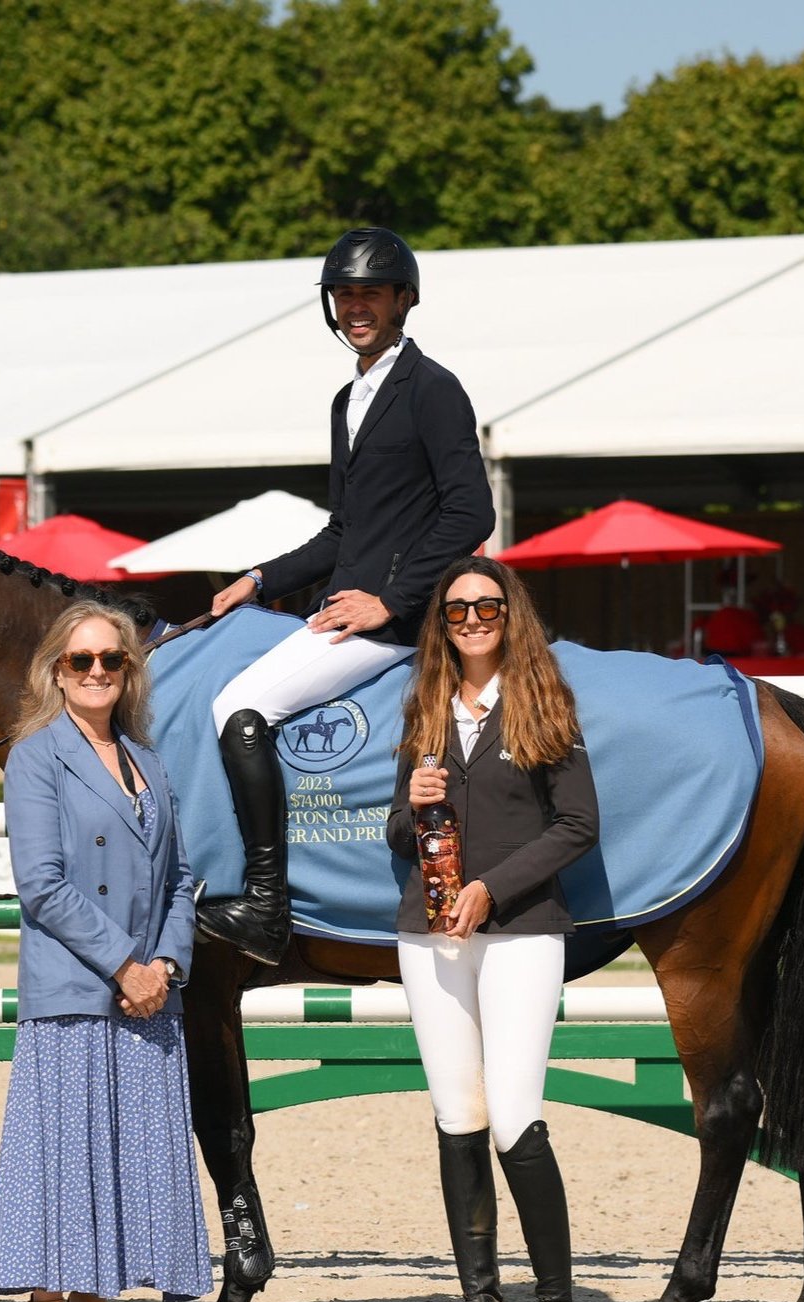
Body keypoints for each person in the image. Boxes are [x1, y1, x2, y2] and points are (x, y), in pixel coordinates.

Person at [199, 226, 495, 965]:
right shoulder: (348, 398)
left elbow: (470, 513)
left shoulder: (432, 388)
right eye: (344, 294)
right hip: (348, 603)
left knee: (237, 707)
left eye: (369, 293)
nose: (355, 306)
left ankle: (266, 903)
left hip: (398, 619)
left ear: (402, 299)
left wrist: (388, 603)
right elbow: (344, 530)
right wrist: (259, 577)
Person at [0, 602, 212, 1302]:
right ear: (56, 669)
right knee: (64, 1152)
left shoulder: (150, 760)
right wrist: (124, 964)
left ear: (128, 670)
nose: (97, 672)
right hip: (78, 986)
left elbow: (182, 877)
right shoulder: (36, 756)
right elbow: (40, 884)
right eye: (81, 660)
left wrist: (166, 965)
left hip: (149, 989)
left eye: (110, 659)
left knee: (116, 1152)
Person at [386, 556, 599, 1302]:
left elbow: (578, 825)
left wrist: (491, 886)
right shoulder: (425, 709)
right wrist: (415, 804)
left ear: (511, 614)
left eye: (486, 606)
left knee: (512, 1115)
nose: (471, 619)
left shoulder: (544, 704)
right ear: (440, 625)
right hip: (429, 933)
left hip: (520, 931)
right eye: (456, 610)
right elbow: (396, 835)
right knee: (456, 1118)